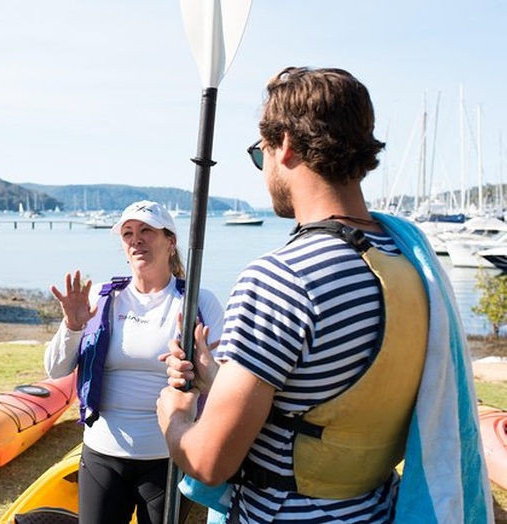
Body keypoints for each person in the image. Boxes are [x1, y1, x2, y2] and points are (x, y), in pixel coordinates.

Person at [156, 67, 493, 523]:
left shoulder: (281, 278)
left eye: (262, 154)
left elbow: (210, 462)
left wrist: (175, 417)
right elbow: (330, 403)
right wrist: (216, 378)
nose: (263, 170)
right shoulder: (410, 262)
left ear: (287, 144)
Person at [44, 200, 224, 524]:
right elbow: (56, 369)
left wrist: (202, 369)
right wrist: (72, 326)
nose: (136, 239)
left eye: (146, 231)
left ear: (171, 242)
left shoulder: (198, 301)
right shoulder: (101, 298)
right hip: (102, 454)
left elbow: (223, 385)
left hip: (167, 459)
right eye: (128, 234)